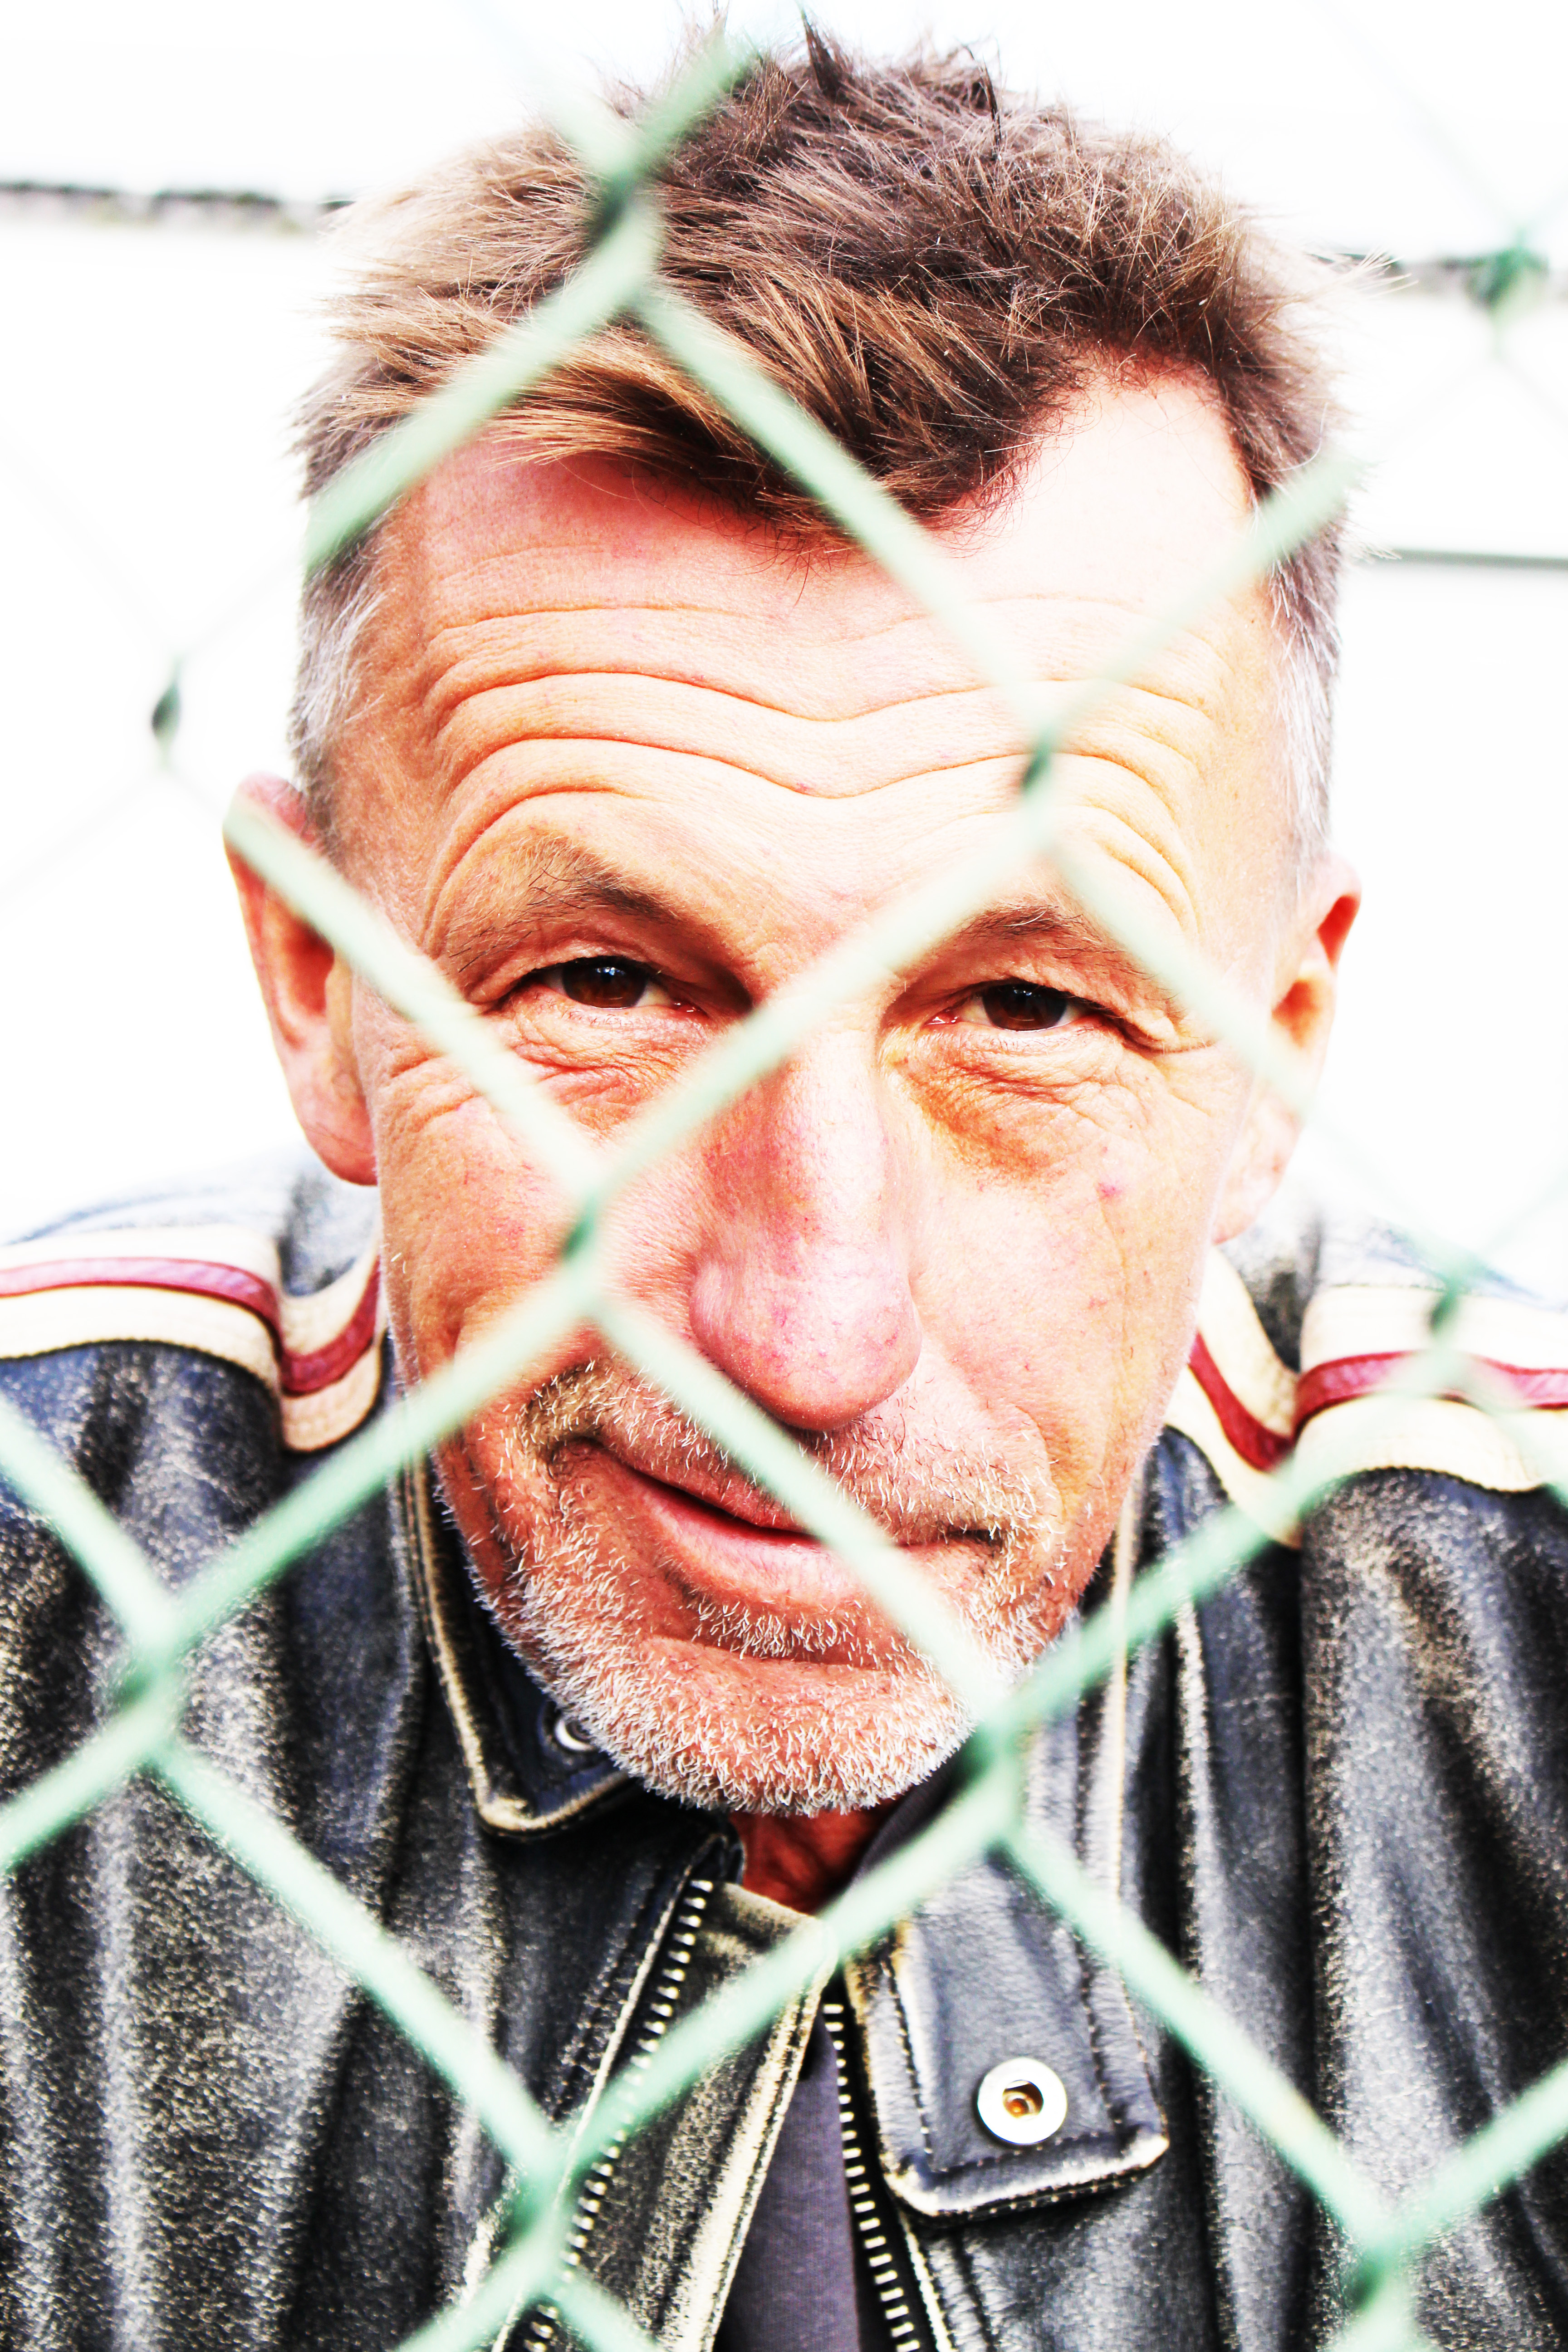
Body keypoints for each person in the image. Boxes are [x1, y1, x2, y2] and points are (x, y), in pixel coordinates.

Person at [2, 31, 1567, 2352]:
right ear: (318, 981)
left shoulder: (1510, 1631)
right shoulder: (42, 1589)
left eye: (1025, 1012)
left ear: (1275, 1053)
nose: (808, 1332)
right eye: (610, 986)